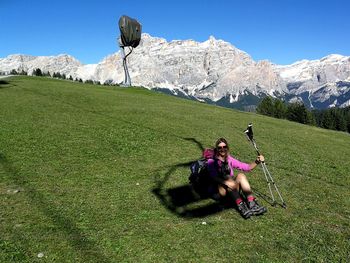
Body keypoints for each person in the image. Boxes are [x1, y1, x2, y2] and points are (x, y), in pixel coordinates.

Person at [207, 137, 267, 219]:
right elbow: (213, 177)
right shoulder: (212, 161)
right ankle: (241, 206)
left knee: (241, 175)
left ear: (227, 148)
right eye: (220, 147)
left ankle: (252, 203)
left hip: (232, 188)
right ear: (217, 149)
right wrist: (226, 182)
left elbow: (247, 167)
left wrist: (257, 161)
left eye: (224, 147)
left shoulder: (229, 159)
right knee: (227, 177)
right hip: (220, 191)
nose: (222, 149)